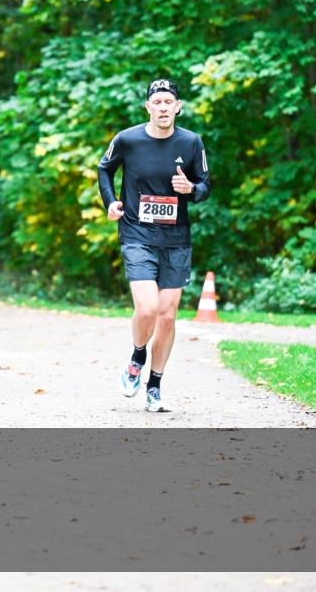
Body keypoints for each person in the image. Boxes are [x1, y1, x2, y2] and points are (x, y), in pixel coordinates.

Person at [98, 78, 211, 413]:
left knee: (167, 315)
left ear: (178, 107)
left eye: (168, 102)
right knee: (147, 309)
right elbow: (105, 169)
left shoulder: (191, 142)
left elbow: (205, 186)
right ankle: (137, 356)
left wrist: (190, 189)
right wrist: (110, 202)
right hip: (136, 233)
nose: (163, 107)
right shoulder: (128, 139)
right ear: (148, 107)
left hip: (176, 240)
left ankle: (155, 385)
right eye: (157, 102)